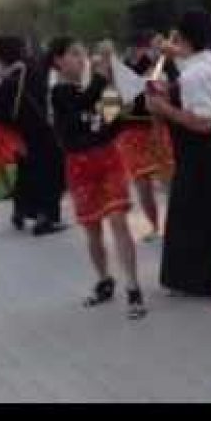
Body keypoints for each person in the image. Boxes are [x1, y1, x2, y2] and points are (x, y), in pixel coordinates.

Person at [146, 9, 211, 303]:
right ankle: (200, 279)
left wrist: (163, 108)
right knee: (207, 214)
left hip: (204, 151)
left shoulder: (196, 73)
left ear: (183, 37)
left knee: (209, 216)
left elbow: (202, 122)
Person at [49, 37, 148, 320]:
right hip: (79, 165)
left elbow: (114, 121)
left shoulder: (98, 88)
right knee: (92, 228)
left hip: (108, 159)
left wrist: (130, 103)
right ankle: (105, 280)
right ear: (58, 60)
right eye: (73, 55)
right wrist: (102, 78)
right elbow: (81, 104)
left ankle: (133, 287)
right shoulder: (59, 92)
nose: (81, 60)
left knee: (118, 219)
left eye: (83, 54)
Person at [0, 39, 68, 236]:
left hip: (21, 132)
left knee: (26, 171)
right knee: (52, 171)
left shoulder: (5, 78)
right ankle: (46, 217)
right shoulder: (31, 70)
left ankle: (20, 210)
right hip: (41, 128)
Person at [115, 31, 168, 242]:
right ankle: (157, 226)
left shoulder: (122, 69)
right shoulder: (147, 68)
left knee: (157, 180)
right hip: (140, 130)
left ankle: (159, 227)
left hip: (147, 128)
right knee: (149, 181)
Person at [0, 36, 27, 198]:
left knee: (16, 153)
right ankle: (10, 188)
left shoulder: (8, 76)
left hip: (5, 123)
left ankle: (20, 184)